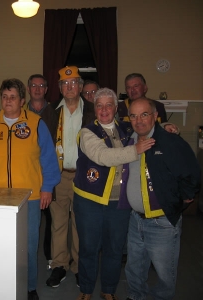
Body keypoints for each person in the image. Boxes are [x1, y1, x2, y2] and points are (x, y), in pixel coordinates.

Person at [0, 78, 61, 300]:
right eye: (4, 97)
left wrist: (47, 189)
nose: (8, 101)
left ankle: (29, 287)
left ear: (22, 100)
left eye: (13, 97)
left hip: (29, 198)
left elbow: (49, 160)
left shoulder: (36, 123)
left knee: (28, 247)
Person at [73, 88, 155, 300]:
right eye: (99, 105)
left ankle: (108, 289)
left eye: (109, 105)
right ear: (94, 108)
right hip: (89, 200)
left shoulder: (128, 129)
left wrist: (166, 127)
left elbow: (148, 128)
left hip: (120, 201)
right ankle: (86, 288)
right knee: (89, 247)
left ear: (116, 108)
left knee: (114, 248)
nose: (104, 110)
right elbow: (102, 156)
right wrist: (134, 150)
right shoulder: (87, 132)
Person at [122, 98, 200, 300]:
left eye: (144, 114)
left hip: (162, 223)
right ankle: (136, 297)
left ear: (156, 116)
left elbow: (191, 175)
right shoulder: (129, 140)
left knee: (165, 275)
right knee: (134, 269)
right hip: (135, 220)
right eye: (134, 115)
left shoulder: (171, 142)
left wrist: (179, 202)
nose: (139, 120)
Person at [46, 66, 94, 288]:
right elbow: (44, 148)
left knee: (80, 224)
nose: (69, 87)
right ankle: (59, 265)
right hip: (59, 175)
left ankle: (77, 266)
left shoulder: (93, 111)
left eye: (74, 82)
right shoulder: (51, 112)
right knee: (58, 223)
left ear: (81, 87)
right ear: (59, 88)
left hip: (85, 176)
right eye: (65, 84)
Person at [25, 74, 58, 270]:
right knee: (29, 221)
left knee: (52, 219)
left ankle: (50, 257)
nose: (37, 89)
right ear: (28, 89)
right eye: (34, 86)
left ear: (46, 89)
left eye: (41, 86)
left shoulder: (55, 112)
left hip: (49, 168)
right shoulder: (19, 113)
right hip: (28, 172)